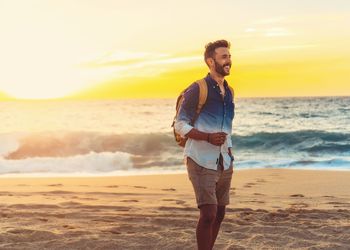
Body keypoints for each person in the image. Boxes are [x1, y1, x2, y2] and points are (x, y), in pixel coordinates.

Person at [174, 39, 235, 250]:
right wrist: (207, 137)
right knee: (208, 213)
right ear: (211, 61)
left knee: (219, 213)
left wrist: (229, 150)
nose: (229, 61)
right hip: (200, 160)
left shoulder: (229, 92)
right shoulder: (197, 89)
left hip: (224, 161)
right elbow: (180, 124)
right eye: (224, 57)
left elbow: (227, 127)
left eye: (229, 56)